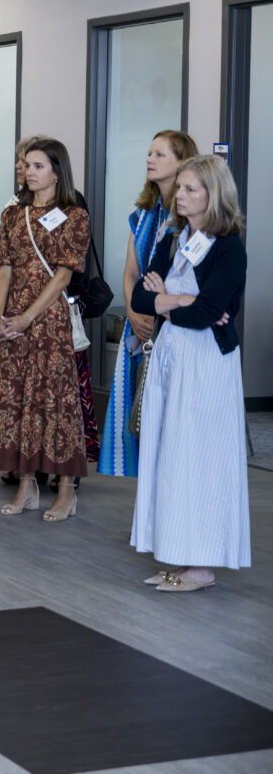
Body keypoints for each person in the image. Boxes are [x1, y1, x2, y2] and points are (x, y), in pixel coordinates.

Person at [130, 154, 248, 591]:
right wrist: (179, 301)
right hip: (170, 357)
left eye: (190, 189)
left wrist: (172, 299)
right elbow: (142, 303)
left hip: (205, 365)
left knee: (200, 458)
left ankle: (203, 564)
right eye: (179, 188)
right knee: (170, 454)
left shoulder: (229, 246)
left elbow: (208, 314)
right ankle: (180, 554)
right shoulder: (173, 239)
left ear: (213, 195)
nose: (179, 196)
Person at [0, 138, 89, 521]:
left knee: (55, 401)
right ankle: (26, 486)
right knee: (17, 401)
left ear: (57, 171)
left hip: (49, 319)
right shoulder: (13, 214)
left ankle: (65, 489)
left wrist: (28, 316)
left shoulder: (74, 215)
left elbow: (62, 276)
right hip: (14, 319)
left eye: (38, 165)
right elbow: (4, 268)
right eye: (26, 165)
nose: (29, 171)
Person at [99, 130, 198, 477]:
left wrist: (154, 308)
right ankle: (145, 517)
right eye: (149, 153)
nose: (149, 160)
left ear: (182, 163)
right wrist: (132, 310)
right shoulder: (142, 215)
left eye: (159, 154)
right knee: (138, 415)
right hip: (138, 326)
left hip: (172, 327)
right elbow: (130, 273)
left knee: (166, 419)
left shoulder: (190, 217)